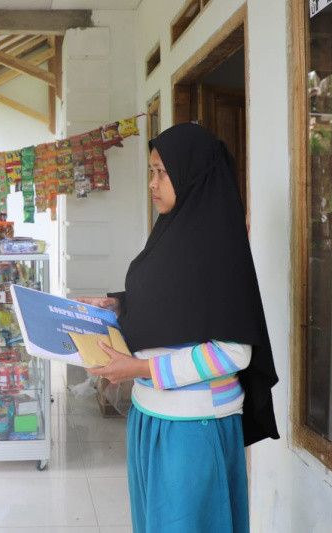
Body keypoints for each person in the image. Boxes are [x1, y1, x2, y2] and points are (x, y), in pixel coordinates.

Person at [84, 123, 279, 533]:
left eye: (161, 172)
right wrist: (118, 305)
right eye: (151, 172)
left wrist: (138, 369)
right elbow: (174, 307)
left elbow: (234, 351)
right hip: (150, 416)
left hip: (193, 428)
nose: (152, 184)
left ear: (191, 174)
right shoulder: (169, 236)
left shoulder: (220, 252)